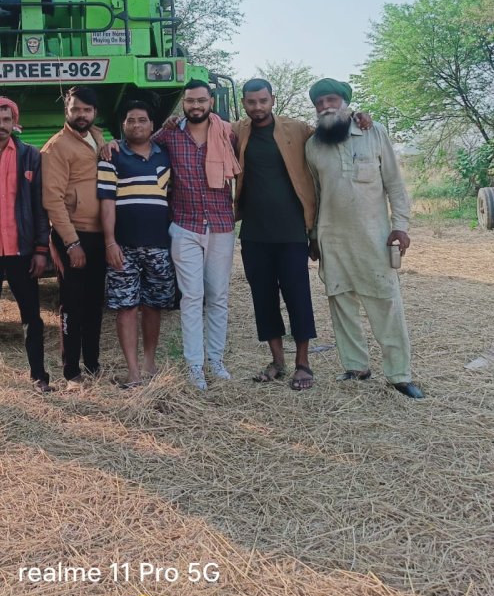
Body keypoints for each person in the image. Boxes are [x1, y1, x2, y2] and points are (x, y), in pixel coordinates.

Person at [304, 78, 425, 399]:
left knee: (386, 303)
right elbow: (315, 194)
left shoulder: (374, 131)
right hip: (332, 239)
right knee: (341, 302)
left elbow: (395, 185)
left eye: (331, 100)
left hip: (374, 238)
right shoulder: (313, 145)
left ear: (346, 104)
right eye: (319, 103)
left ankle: (399, 375)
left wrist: (400, 226)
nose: (326, 106)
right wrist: (314, 236)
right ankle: (356, 367)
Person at [144, 80, 240, 390]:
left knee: (218, 296)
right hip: (185, 225)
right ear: (183, 103)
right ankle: (195, 364)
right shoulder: (171, 132)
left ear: (211, 101)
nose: (195, 106)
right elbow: (141, 142)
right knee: (191, 296)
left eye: (201, 100)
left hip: (222, 224)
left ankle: (216, 360)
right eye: (190, 101)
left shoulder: (227, 132)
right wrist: (104, 141)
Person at [231, 79, 318, 391]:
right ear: (243, 103)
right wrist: (176, 121)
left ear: (273, 100)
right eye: (251, 102)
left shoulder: (297, 130)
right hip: (254, 233)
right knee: (263, 299)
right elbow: (203, 129)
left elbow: (329, 136)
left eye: (263, 101)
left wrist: (360, 119)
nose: (258, 107)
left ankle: (303, 364)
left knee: (298, 297)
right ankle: (277, 361)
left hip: (292, 231)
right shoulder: (237, 131)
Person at [0, 94, 54, 394]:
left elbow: (40, 207)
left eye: (6, 120)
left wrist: (42, 249)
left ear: (14, 122)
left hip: (22, 251)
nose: (0, 126)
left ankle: (39, 376)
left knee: (32, 316)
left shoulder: (30, 157)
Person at [97, 101, 176, 388]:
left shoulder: (165, 156)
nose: (137, 125)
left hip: (159, 245)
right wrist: (110, 243)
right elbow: (107, 204)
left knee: (153, 305)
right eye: (131, 121)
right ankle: (132, 371)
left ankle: (149, 364)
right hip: (124, 247)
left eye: (142, 120)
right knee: (126, 306)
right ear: (124, 126)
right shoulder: (112, 157)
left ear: (152, 125)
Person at [41, 86, 106, 388]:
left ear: (94, 113)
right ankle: (71, 372)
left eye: (87, 110)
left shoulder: (97, 136)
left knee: (94, 303)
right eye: (76, 109)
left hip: (99, 234)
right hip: (74, 236)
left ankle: (93, 364)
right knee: (72, 304)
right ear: (66, 110)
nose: (82, 115)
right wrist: (71, 242)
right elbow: (52, 199)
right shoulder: (57, 147)